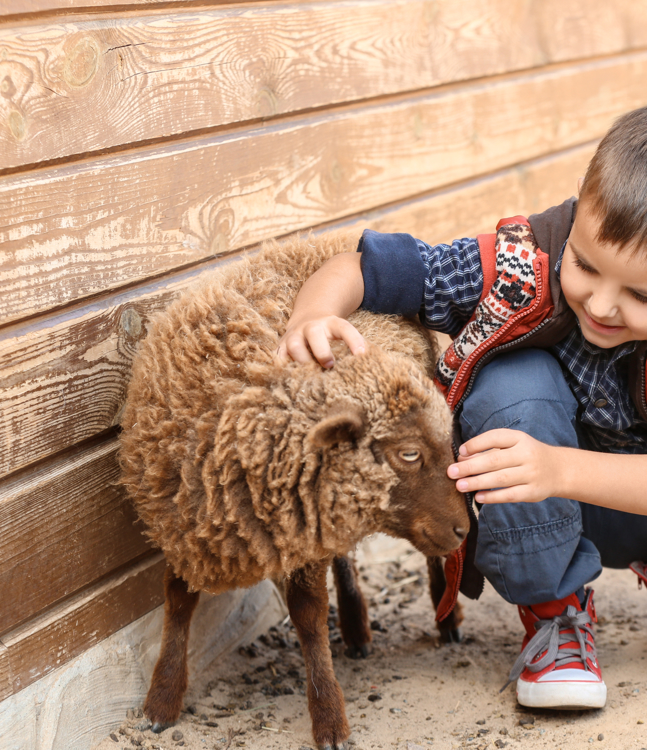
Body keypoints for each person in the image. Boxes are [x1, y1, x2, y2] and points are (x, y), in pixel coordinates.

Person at [276, 105, 647, 710]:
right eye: (585, 265)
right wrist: (313, 314)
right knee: (510, 379)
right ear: (578, 208)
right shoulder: (522, 265)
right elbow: (367, 269)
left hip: (616, 494)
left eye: (640, 293)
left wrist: (563, 470)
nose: (602, 305)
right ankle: (557, 615)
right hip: (539, 496)